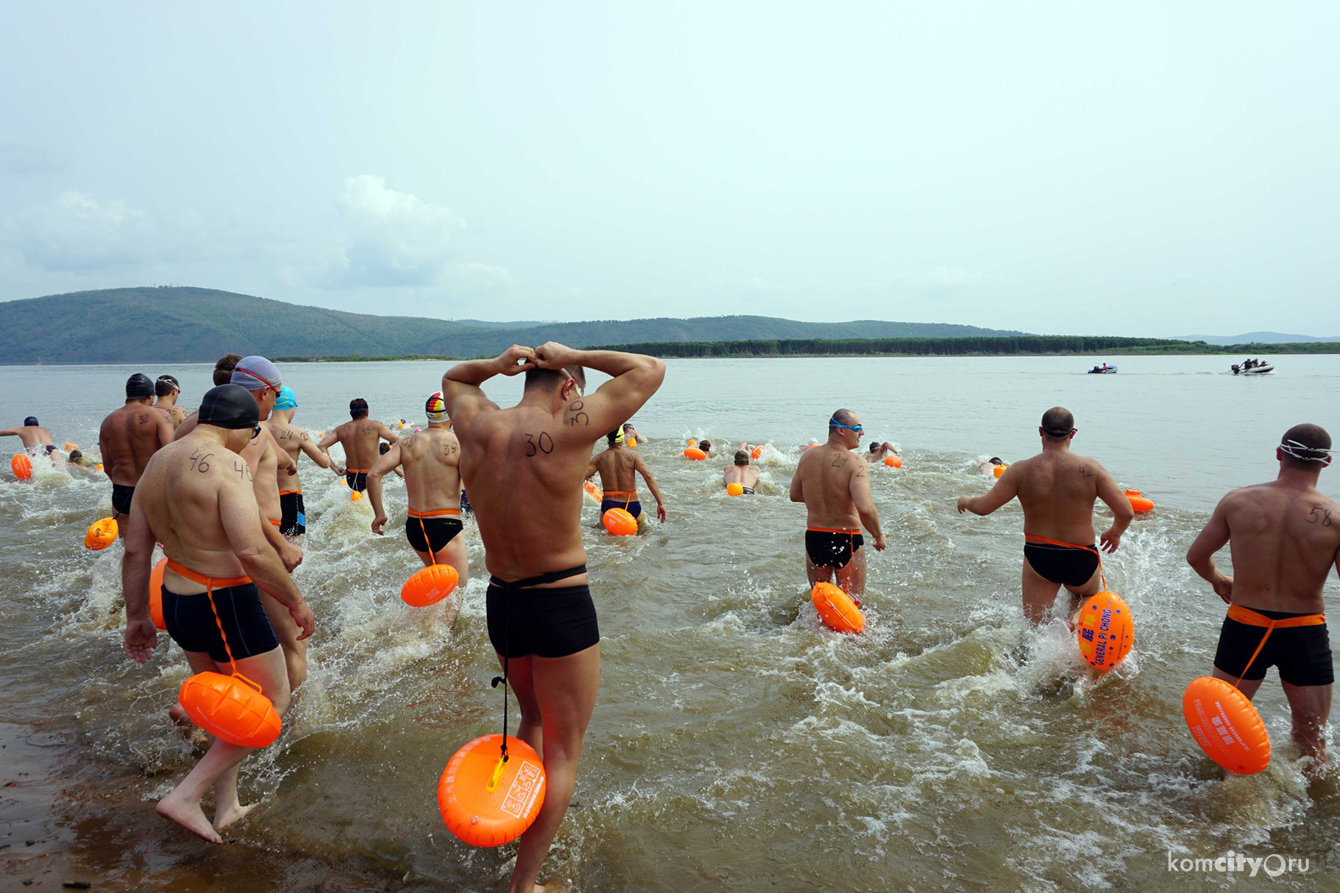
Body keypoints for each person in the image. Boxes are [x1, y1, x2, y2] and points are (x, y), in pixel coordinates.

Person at [441, 342, 664, 893]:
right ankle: (524, 883)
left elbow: (454, 377)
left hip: (502, 602)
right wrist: (575, 353)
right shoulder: (570, 428)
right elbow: (650, 370)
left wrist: (494, 365)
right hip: (560, 602)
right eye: (577, 388)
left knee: (533, 722)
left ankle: (511, 820)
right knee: (564, 751)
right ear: (569, 388)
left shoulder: (477, 426)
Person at [121, 384, 314, 843]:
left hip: (176, 599)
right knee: (274, 702)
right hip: (222, 599)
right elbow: (251, 551)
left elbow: (134, 551)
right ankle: (187, 795)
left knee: (225, 702)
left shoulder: (158, 463)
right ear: (243, 429)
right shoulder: (228, 464)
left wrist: (136, 617)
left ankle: (226, 807)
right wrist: (296, 601)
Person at [1186, 425, 1339, 776]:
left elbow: (1196, 557)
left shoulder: (1238, 501)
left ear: (1278, 453)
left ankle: (1215, 807)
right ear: (1327, 462)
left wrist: (1219, 579)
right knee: (1312, 741)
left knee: (1222, 732)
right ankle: (1310, 819)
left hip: (1246, 626)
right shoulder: (1335, 516)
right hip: (1305, 632)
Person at [174, 357, 306, 689]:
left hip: (197, 556)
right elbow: (239, 494)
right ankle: (286, 729)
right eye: (275, 393)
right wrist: (280, 545)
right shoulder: (245, 430)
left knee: (234, 649)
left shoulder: (193, 423)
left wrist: (284, 461)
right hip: (250, 539)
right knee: (293, 639)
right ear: (264, 393)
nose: (276, 401)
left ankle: (205, 716)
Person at [956, 407, 1133, 626]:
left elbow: (984, 507)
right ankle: (1075, 621)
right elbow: (1126, 512)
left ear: (1041, 431)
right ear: (1073, 433)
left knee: (1034, 628)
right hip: (1081, 555)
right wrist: (1114, 533)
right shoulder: (1091, 469)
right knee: (1084, 597)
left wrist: (965, 499)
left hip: (1040, 555)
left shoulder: (1020, 470)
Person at [368, 392, 469, 611]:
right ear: (451, 413)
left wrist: (379, 514)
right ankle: (440, 643)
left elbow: (373, 475)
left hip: (415, 525)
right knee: (455, 593)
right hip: (446, 524)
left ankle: (425, 633)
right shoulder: (459, 443)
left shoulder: (406, 443)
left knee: (438, 587)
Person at [790, 410, 887, 595]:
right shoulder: (856, 462)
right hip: (846, 538)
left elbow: (794, 495)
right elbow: (865, 508)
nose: (862, 433)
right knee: (852, 604)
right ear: (841, 430)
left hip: (814, 537)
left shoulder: (807, 457)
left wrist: (822, 496)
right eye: (857, 428)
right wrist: (878, 535)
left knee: (822, 604)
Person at [99, 374, 175, 532]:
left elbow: (107, 466)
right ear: (150, 397)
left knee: (130, 547)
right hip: (152, 488)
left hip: (122, 491)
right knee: (163, 542)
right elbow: (171, 455)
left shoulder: (108, 421)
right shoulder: (160, 416)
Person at [267, 386, 334, 543]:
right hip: (290, 497)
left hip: (264, 496)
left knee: (270, 544)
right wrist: (325, 452)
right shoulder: (298, 433)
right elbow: (324, 463)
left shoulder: (259, 428)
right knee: (294, 544)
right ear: (291, 406)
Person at [585, 428, 667, 522]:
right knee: (640, 534)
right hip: (632, 504)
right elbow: (648, 477)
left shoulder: (599, 458)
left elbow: (579, 479)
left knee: (604, 534)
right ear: (622, 439)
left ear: (607, 439)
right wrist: (660, 503)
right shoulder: (633, 456)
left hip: (610, 505)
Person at [319, 399, 400, 492]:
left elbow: (321, 446)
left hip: (351, 476)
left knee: (358, 500)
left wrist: (334, 468)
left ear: (351, 413)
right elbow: (400, 441)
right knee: (374, 503)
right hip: (371, 474)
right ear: (367, 412)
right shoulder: (376, 425)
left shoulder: (340, 429)